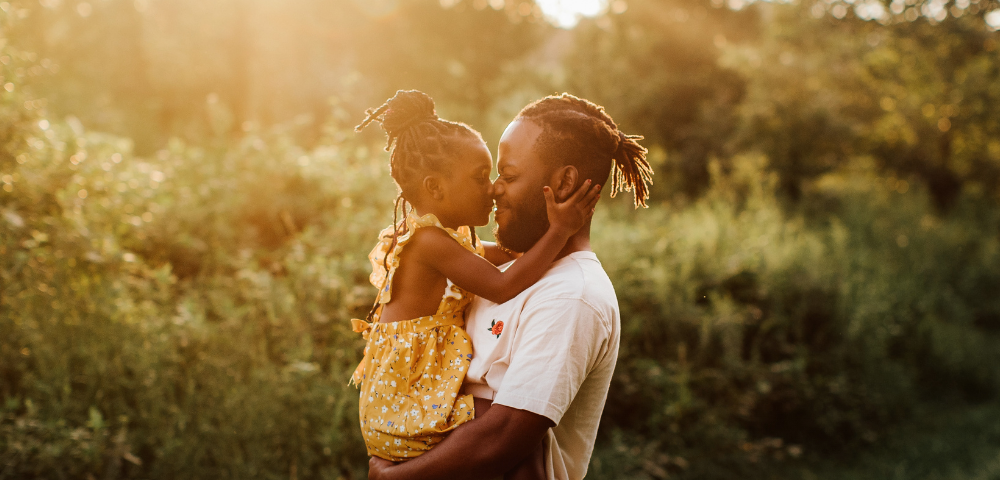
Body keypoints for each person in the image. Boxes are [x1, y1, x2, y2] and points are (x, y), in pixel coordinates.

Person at [368, 93, 652, 480]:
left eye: (509, 176)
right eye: (489, 176)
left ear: (564, 182)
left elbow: (500, 439)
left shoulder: (572, 296)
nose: (495, 189)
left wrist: (392, 479)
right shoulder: (504, 267)